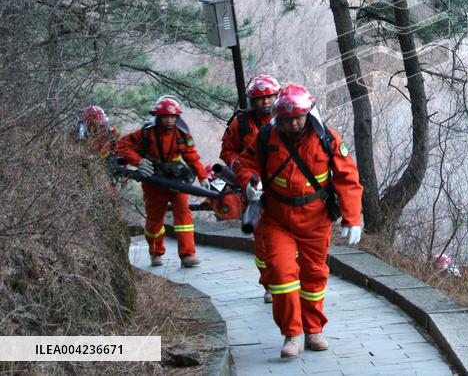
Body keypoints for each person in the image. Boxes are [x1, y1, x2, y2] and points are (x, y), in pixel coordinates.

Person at [236, 84, 363, 358]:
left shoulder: (326, 137)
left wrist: (352, 218)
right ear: (279, 117)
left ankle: (313, 330)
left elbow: (348, 177)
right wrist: (249, 184)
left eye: (298, 118)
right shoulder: (266, 136)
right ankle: (292, 334)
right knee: (282, 275)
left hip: (316, 220)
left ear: (307, 113)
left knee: (314, 276)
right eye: (287, 119)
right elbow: (246, 164)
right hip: (277, 218)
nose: (293, 124)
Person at [118, 95, 211, 267]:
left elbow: (191, 155)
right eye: (166, 117)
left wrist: (202, 175)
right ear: (158, 117)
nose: (170, 120)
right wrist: (139, 162)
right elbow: (122, 145)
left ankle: (188, 255)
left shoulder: (182, 133)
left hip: (176, 179)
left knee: (183, 215)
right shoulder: (146, 133)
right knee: (154, 219)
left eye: (173, 117)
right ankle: (155, 253)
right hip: (154, 180)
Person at [219, 74, 281, 302]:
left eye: (270, 97)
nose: (266, 102)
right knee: (262, 238)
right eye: (260, 98)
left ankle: (290, 278)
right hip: (253, 188)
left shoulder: (286, 119)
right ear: (252, 101)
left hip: (283, 187)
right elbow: (227, 150)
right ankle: (270, 284)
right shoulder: (241, 124)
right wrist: (238, 166)